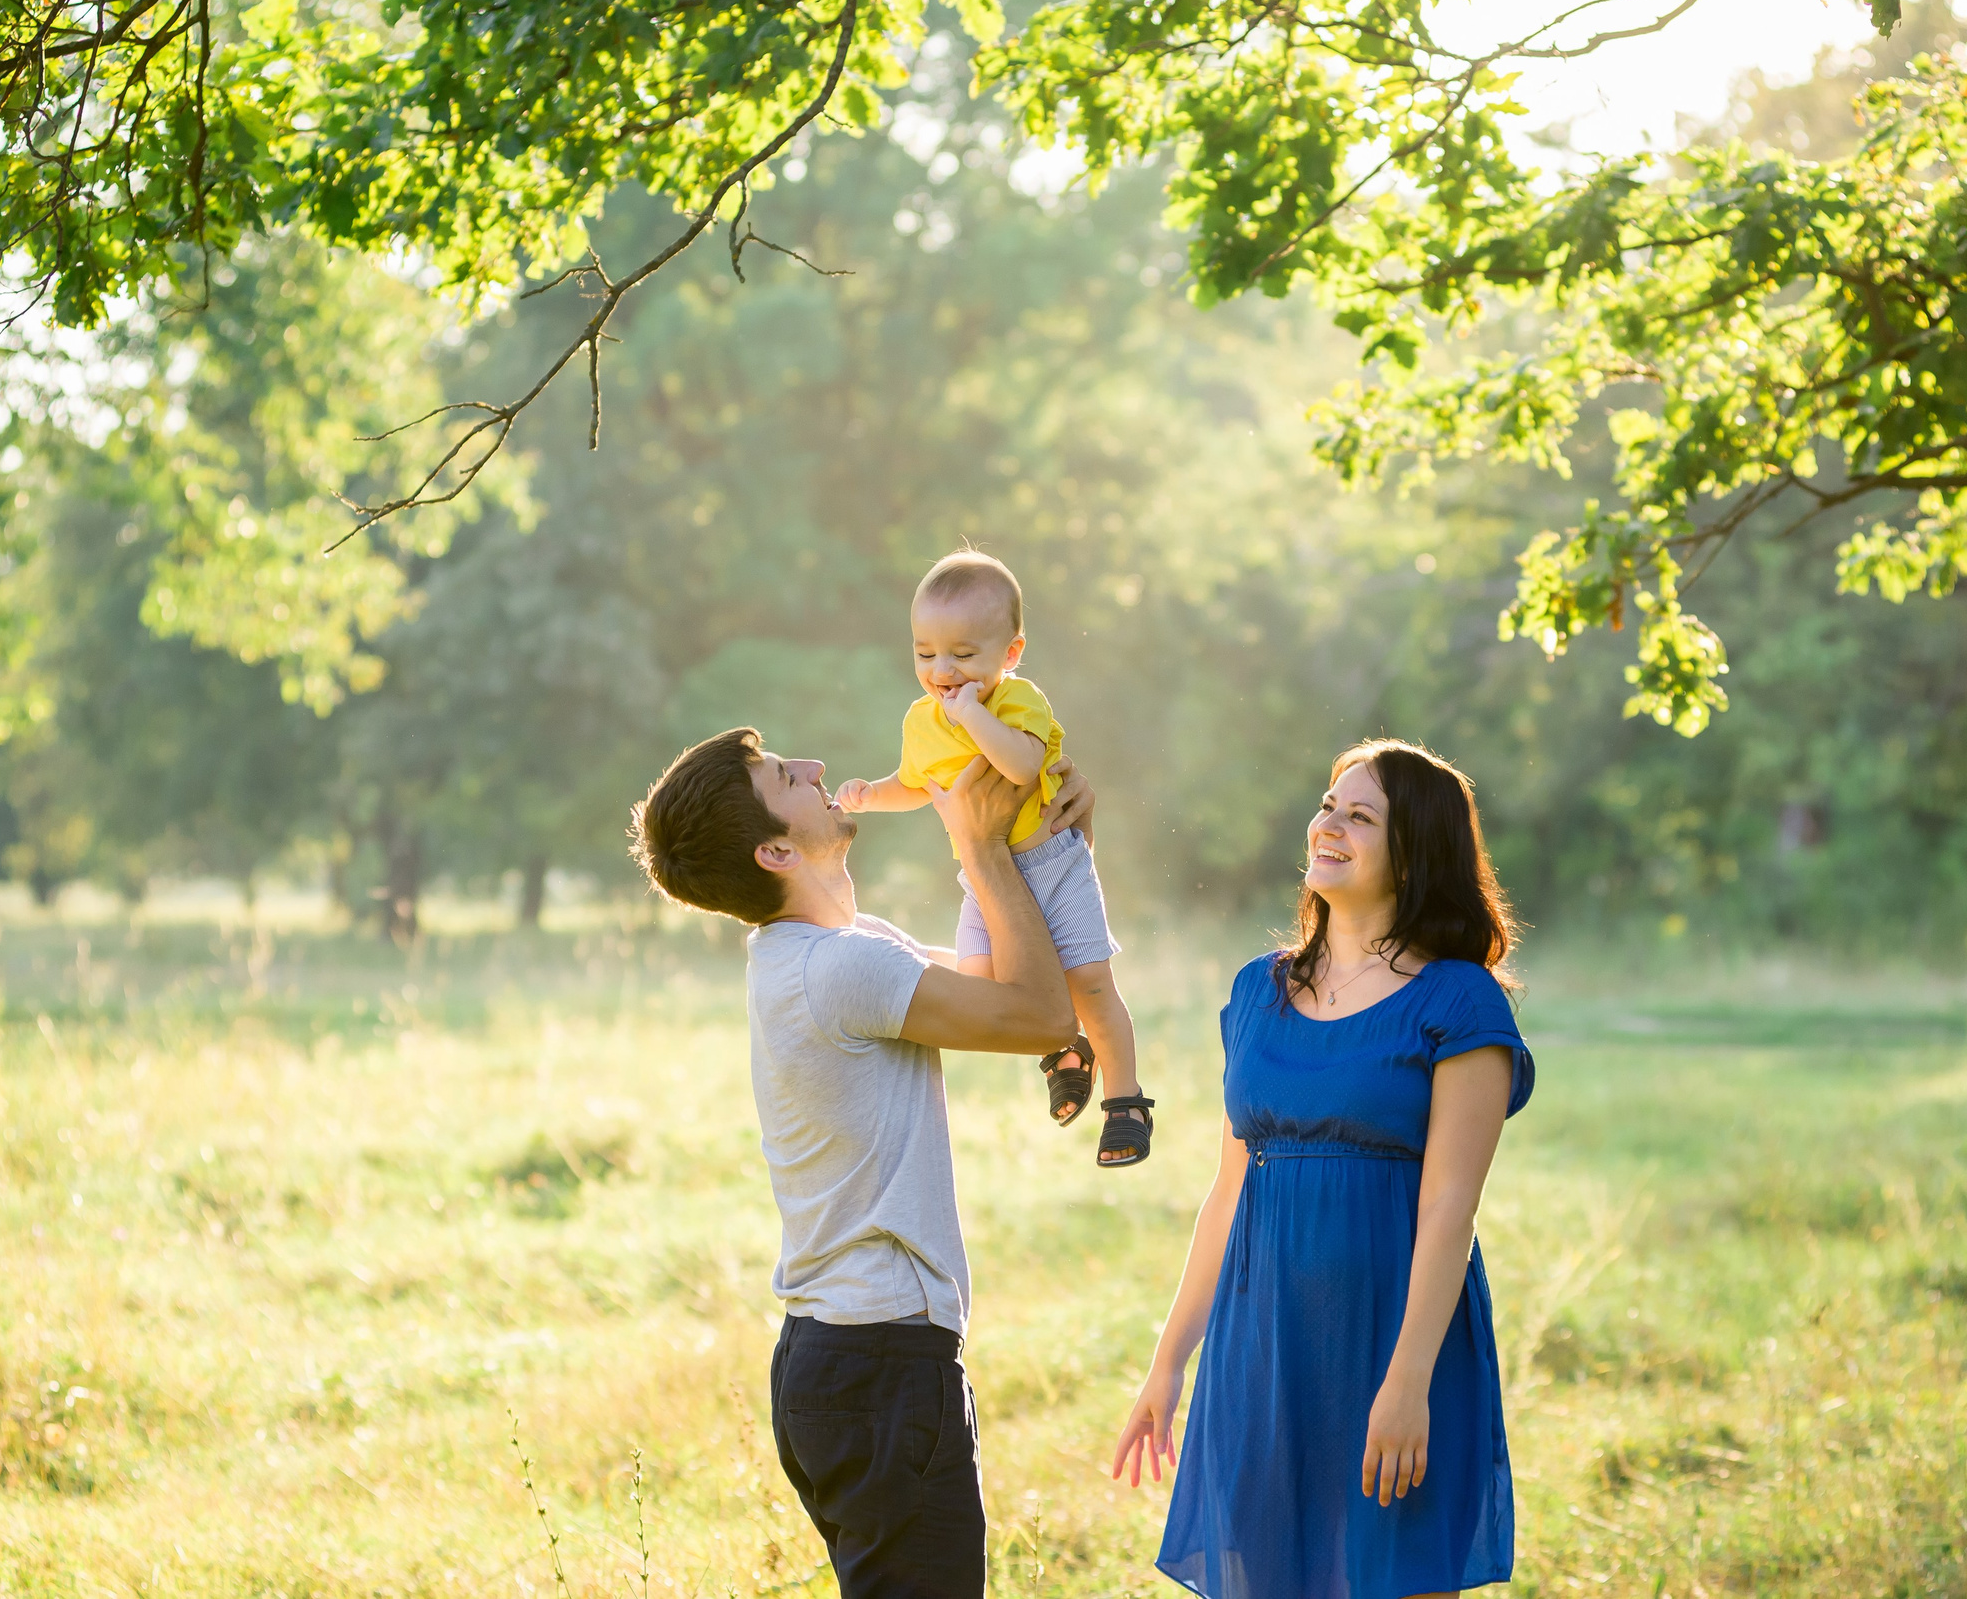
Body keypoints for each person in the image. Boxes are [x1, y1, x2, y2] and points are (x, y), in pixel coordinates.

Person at [628, 726, 1090, 1599]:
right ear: (775, 849)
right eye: (781, 775)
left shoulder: (836, 950)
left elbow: (1025, 974)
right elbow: (1038, 1017)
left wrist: (1047, 830)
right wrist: (981, 841)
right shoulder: (843, 968)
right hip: (878, 1364)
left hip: (848, 1360)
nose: (812, 766)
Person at [1111, 739, 1536, 1599]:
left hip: (1395, 1338)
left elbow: (1452, 1202)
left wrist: (1409, 1377)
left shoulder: (1460, 999)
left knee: (1396, 1578)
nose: (1329, 824)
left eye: (1361, 814)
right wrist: (1169, 1361)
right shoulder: (1255, 992)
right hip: (1264, 1340)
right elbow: (1228, 1192)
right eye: (1328, 803)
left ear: (1414, 851)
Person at [834, 548, 1154, 1166]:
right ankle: (1064, 1051)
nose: (942, 671)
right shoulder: (922, 720)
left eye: (963, 654)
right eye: (925, 654)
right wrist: (872, 795)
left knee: (1088, 982)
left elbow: (1023, 766)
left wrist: (974, 716)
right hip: (983, 879)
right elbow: (916, 783)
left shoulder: (1014, 702)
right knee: (985, 983)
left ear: (1009, 654)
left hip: (1051, 865)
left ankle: (1126, 1100)